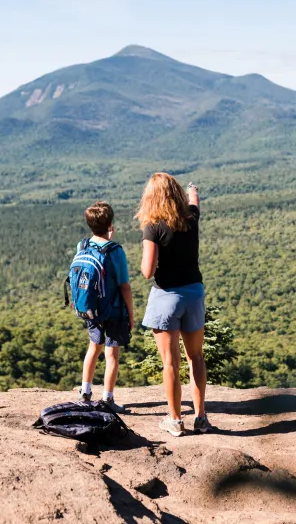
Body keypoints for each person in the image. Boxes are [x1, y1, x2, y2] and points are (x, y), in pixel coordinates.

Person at [137, 173, 211, 437]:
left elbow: (147, 271)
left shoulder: (153, 228)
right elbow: (195, 201)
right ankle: (201, 417)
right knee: (196, 357)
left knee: (170, 363)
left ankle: (176, 420)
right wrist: (193, 189)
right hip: (193, 293)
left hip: (166, 296)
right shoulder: (191, 217)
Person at [77, 201, 134, 414]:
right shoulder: (115, 251)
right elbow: (124, 286)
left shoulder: (82, 246)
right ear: (110, 224)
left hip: (92, 309)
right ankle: (108, 399)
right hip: (114, 310)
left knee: (93, 348)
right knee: (112, 355)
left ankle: (85, 392)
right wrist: (131, 314)